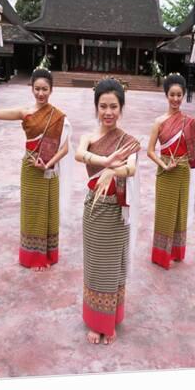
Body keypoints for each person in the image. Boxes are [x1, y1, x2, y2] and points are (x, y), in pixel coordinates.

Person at [0, 65, 72, 272]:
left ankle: (48, 254)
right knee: (32, 211)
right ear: (32, 89)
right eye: (37, 88)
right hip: (30, 169)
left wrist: (48, 163)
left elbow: (66, 147)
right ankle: (34, 257)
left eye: (45, 89)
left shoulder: (59, 116)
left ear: (51, 90)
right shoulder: (25, 112)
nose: (40, 93)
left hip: (49, 169)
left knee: (49, 211)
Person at [75, 78, 141, 345]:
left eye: (114, 106)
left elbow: (132, 167)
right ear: (96, 107)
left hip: (116, 212)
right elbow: (80, 154)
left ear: (121, 108)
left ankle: (109, 320)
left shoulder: (128, 141)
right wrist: (104, 161)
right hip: (94, 210)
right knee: (94, 267)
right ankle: (95, 322)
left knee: (113, 268)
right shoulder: (88, 137)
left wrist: (114, 170)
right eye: (103, 106)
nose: (108, 112)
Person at [147, 72, 195, 270]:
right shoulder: (159, 122)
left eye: (179, 95)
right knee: (164, 213)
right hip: (165, 173)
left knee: (180, 212)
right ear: (166, 94)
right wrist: (163, 165)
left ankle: (176, 253)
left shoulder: (189, 122)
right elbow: (150, 151)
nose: (176, 99)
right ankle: (161, 255)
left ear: (183, 95)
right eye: (172, 94)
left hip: (183, 172)